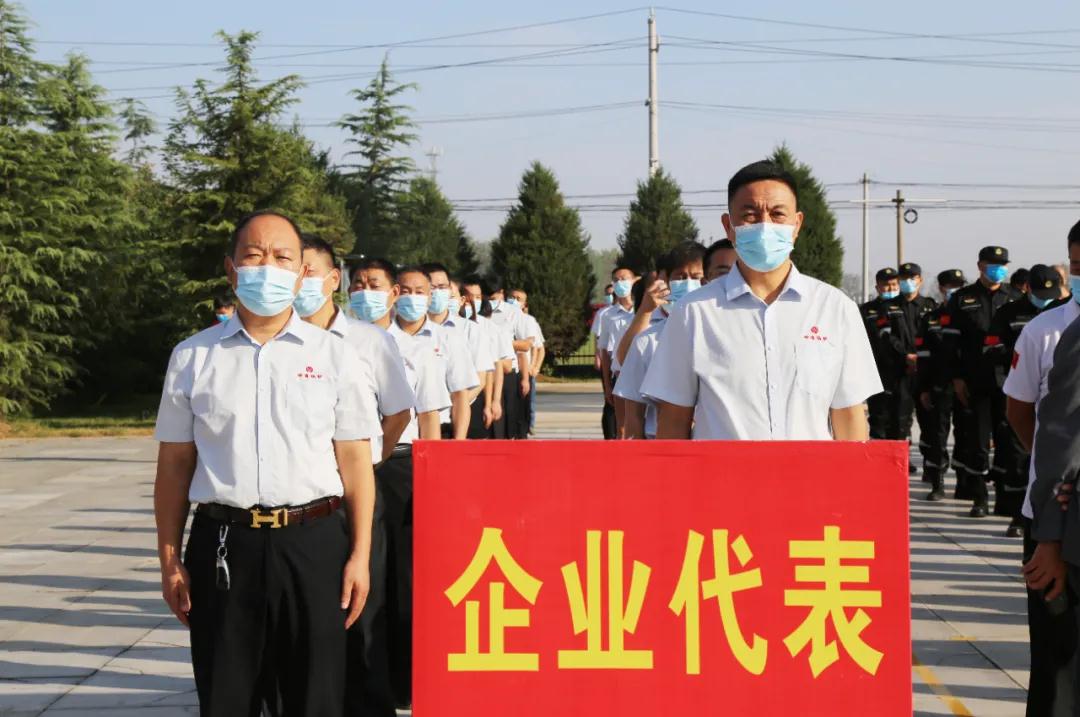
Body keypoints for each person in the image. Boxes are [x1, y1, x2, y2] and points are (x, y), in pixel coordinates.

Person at [153, 210, 379, 716]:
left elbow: (356, 464)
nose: (267, 268)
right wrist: (170, 560)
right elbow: (173, 468)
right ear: (232, 269)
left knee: (316, 694)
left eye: (282, 257)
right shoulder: (192, 357)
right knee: (227, 695)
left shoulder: (335, 356)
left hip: (314, 542)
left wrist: (360, 555)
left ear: (303, 273)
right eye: (254, 256)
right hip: (225, 546)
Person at [642, 160, 881, 440]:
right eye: (750, 215)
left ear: (797, 224)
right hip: (723, 481)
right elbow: (674, 419)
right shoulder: (694, 312)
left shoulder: (835, 308)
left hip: (811, 481)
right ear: (728, 226)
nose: (765, 225)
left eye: (778, 214)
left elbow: (849, 418)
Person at [348, 258, 450, 711]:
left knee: (403, 579)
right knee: (359, 576)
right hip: (346, 472)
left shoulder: (413, 348)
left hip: (401, 467)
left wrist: (433, 478)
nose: (364, 292)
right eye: (357, 284)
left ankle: (404, 677)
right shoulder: (335, 342)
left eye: (374, 285)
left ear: (392, 294)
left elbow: (426, 416)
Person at [1006, 229, 1080, 715]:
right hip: (1059, 519)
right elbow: (1028, 416)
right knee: (1060, 675)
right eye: (1078, 265)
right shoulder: (1052, 332)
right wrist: (1052, 481)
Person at [947, 245, 1022, 518]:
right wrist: (956, 378)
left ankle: (1007, 501)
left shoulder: (1015, 298)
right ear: (980, 266)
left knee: (1009, 443)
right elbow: (951, 343)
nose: (998, 269)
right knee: (977, 443)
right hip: (975, 381)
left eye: (1003, 264)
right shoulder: (963, 299)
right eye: (992, 264)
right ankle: (979, 497)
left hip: (1009, 382)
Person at [991, 265, 1066, 535]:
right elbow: (993, 351)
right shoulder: (1022, 320)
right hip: (1015, 391)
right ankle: (1014, 511)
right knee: (1016, 455)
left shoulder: (1063, 317)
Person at [616, 243, 707, 440]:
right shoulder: (646, 333)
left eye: (696, 277)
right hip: (661, 441)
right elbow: (624, 361)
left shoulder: (718, 328)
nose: (689, 283)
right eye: (681, 277)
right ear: (664, 279)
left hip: (710, 444)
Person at [422, 263, 490, 440]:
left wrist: (454, 406)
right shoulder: (407, 331)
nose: (437, 292)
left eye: (442, 287)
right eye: (432, 287)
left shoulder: (467, 330)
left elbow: (479, 380)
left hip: (456, 417)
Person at [919, 269, 969, 501]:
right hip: (939, 383)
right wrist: (924, 388)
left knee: (966, 433)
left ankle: (964, 482)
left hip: (967, 385)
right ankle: (937, 482)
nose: (954, 289)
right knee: (938, 434)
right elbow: (924, 356)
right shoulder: (930, 318)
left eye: (958, 285)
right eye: (950, 285)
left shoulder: (970, 314)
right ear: (941, 288)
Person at [895, 262, 939, 476]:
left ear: (920, 280)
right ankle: (901, 464)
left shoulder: (930, 306)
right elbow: (886, 338)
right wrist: (906, 355)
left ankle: (932, 471)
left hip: (926, 373)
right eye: (903, 278)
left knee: (930, 422)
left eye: (912, 278)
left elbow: (936, 339)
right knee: (900, 422)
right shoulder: (891, 307)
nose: (908, 282)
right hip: (900, 372)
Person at [860, 267, 905, 440]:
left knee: (901, 418)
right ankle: (880, 461)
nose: (890, 288)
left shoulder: (905, 306)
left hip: (902, 371)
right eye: (885, 285)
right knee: (879, 416)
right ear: (877, 287)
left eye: (894, 284)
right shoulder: (867, 310)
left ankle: (900, 462)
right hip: (876, 370)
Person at [462, 278, 509, 438]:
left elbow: (494, 369)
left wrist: (492, 402)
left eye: (477, 297)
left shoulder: (489, 328)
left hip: (478, 394)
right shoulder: (451, 326)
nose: (473, 301)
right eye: (469, 297)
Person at [486, 282, 533, 439]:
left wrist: (500, 343)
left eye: (494, 297)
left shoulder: (512, 313)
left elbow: (526, 345)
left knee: (505, 425)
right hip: (483, 374)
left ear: (501, 292)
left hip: (507, 374)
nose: (491, 300)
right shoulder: (477, 311)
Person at [597, 266, 639, 439]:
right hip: (619, 372)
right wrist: (607, 385)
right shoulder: (607, 315)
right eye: (616, 280)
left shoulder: (644, 310)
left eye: (624, 278)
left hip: (641, 371)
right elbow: (605, 352)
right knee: (621, 426)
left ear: (634, 280)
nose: (620, 283)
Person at [510, 289, 546, 434]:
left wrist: (534, 367)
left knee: (528, 403)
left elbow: (538, 347)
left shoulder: (529, 321)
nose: (514, 300)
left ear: (524, 303)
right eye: (512, 297)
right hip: (509, 368)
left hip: (525, 369)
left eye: (518, 298)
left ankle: (528, 426)